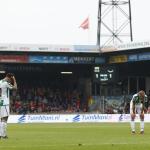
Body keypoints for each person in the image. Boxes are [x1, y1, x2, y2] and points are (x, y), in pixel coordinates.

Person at [0, 73, 17, 139]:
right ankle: (3, 135)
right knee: (5, 118)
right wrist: (14, 80)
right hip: (5, 102)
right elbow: (15, 87)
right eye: (11, 79)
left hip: (0, 101)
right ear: (9, 78)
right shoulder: (6, 83)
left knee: (1, 118)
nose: (10, 81)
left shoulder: (0, 81)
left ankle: (1, 134)